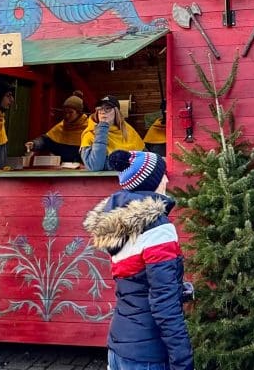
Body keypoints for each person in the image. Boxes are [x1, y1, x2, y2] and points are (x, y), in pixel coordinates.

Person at [83, 150, 194, 370]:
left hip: (119, 347)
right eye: (162, 174)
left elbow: (137, 284)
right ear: (151, 183)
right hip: (148, 353)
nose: (166, 179)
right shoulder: (158, 229)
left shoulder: (119, 225)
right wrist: (183, 360)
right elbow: (164, 303)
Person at [81, 95, 145, 171]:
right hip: (104, 182)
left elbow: (144, 158)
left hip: (131, 179)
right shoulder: (90, 134)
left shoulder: (128, 130)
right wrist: (102, 128)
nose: (103, 112)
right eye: (99, 109)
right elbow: (95, 166)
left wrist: (108, 164)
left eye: (107, 108)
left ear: (116, 112)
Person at [26, 91, 89, 163]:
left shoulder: (88, 128)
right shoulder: (61, 126)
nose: (67, 115)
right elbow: (45, 140)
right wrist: (34, 144)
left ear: (79, 113)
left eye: (70, 112)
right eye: (65, 112)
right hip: (61, 169)